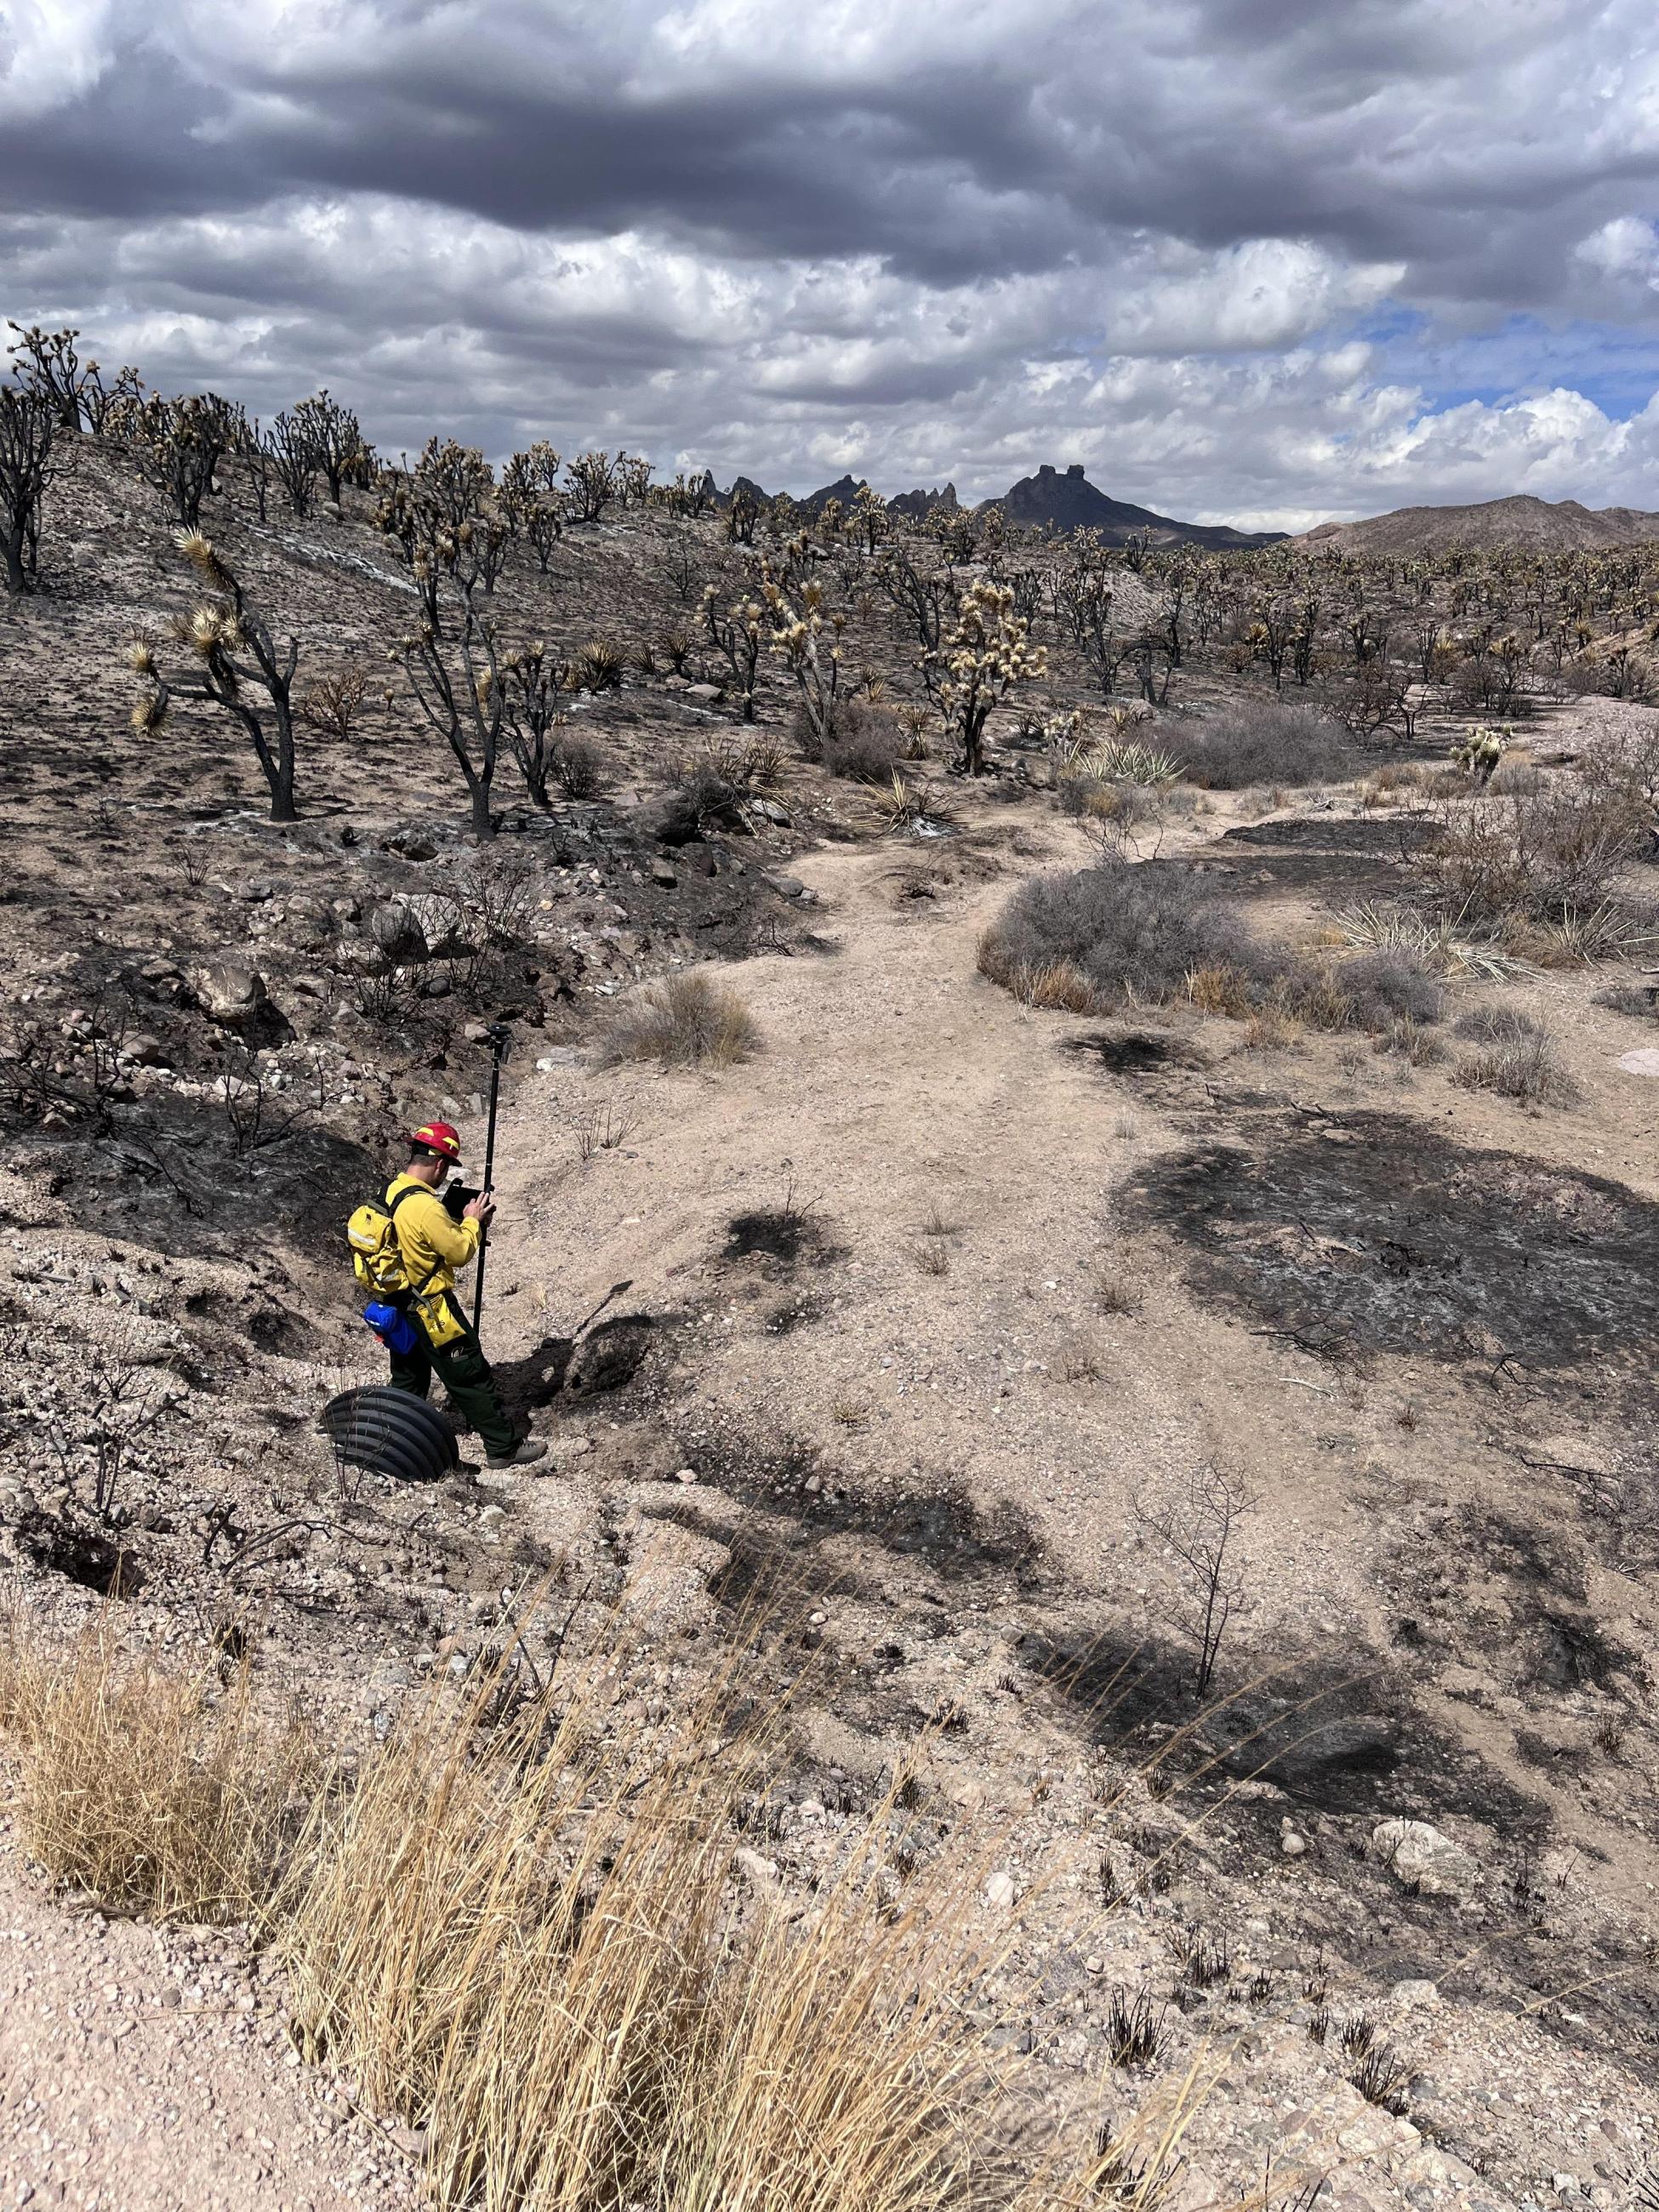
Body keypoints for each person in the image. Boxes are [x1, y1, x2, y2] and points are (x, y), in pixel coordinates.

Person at [383, 1120, 545, 1470]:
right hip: (431, 1307)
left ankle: (397, 1439)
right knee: (468, 1372)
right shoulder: (425, 1207)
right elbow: (458, 1252)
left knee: (409, 1376)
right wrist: (472, 1220)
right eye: (447, 1168)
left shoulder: (393, 1191)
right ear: (440, 1164)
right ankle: (503, 1447)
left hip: (396, 1304)